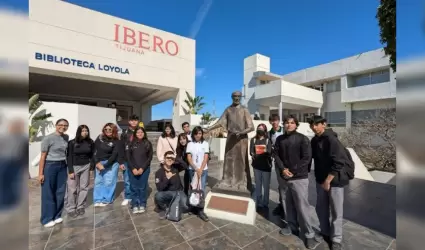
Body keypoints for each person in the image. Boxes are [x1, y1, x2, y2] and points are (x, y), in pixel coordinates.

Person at [274, 115, 319, 249]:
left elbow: (307, 158)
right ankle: (292, 226)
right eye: (287, 123)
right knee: (287, 204)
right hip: (285, 176)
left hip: (299, 177)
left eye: (292, 123)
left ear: (296, 125)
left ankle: (309, 234)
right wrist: (283, 169)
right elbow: (276, 155)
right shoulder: (280, 139)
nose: (289, 125)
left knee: (302, 206)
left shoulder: (302, 139)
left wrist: (292, 170)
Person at [309, 115, 353, 250]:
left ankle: (336, 239)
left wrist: (328, 180)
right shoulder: (315, 140)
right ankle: (325, 231)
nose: (314, 127)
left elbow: (339, 162)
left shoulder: (331, 139)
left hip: (335, 180)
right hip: (321, 179)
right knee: (321, 208)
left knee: (336, 210)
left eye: (317, 124)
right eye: (312, 125)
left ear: (324, 124)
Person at [38, 118, 69, 227]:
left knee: (60, 191)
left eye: (65, 125)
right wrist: (41, 173)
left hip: (62, 166)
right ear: (56, 125)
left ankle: (57, 215)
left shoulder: (66, 137)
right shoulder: (48, 138)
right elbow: (43, 156)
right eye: (60, 124)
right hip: (50, 165)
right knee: (48, 192)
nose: (63, 127)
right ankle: (46, 218)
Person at [65, 125, 94, 218]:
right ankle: (71, 208)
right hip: (74, 167)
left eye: (86, 131)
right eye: (83, 131)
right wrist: (70, 170)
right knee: (72, 189)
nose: (85, 132)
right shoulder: (72, 143)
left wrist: (91, 168)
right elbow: (69, 157)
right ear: (79, 132)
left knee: (84, 187)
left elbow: (92, 155)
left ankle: (80, 206)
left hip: (86, 166)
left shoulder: (90, 142)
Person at [154, 151, 189, 219]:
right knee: (158, 196)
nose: (170, 159)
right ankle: (165, 208)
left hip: (179, 192)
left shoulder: (175, 168)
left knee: (186, 207)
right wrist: (167, 178)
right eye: (168, 158)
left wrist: (176, 158)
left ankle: (172, 205)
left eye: (172, 158)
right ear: (164, 159)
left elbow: (185, 165)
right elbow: (159, 188)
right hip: (168, 193)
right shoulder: (159, 172)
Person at [126, 126, 153, 214]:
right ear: (135, 134)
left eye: (141, 132)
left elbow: (149, 157)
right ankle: (134, 204)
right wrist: (133, 168)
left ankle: (142, 203)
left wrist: (142, 168)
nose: (140, 134)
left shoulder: (148, 143)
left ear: (144, 133)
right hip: (132, 169)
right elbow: (128, 158)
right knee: (133, 187)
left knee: (142, 188)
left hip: (144, 169)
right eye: (138, 132)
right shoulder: (131, 143)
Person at [93, 123, 121, 207]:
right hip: (99, 162)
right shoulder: (99, 138)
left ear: (114, 130)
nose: (108, 131)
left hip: (111, 163)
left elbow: (114, 155)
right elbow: (94, 151)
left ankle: (107, 199)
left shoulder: (116, 141)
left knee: (109, 182)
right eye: (106, 129)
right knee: (98, 182)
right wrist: (97, 162)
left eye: (110, 129)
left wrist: (105, 166)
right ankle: (98, 199)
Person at [186, 126, 210, 221]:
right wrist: (196, 168)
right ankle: (192, 206)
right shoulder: (190, 144)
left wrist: (200, 169)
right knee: (192, 188)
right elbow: (189, 157)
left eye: (199, 133)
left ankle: (200, 210)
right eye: (196, 133)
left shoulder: (205, 143)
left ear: (202, 134)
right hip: (192, 169)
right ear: (193, 134)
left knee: (201, 189)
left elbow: (206, 157)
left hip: (203, 170)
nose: (198, 135)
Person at [249, 123, 272, 211]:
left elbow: (270, 152)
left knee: (266, 186)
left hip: (266, 167)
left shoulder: (267, 140)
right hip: (256, 166)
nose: (260, 130)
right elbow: (251, 151)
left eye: (262, 128)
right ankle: (258, 202)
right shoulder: (253, 140)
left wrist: (264, 151)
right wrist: (253, 154)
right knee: (258, 185)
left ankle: (265, 203)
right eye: (259, 128)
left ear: (265, 130)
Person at [119, 114, 139, 206]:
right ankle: (128, 196)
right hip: (127, 160)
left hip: (138, 160)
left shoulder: (140, 132)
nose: (134, 122)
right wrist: (121, 161)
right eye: (132, 120)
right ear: (129, 121)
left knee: (137, 179)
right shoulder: (125, 132)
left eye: (135, 120)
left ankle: (137, 195)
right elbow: (121, 148)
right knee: (127, 180)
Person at [268, 114, 285, 216]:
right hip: (278, 161)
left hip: (289, 161)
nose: (274, 122)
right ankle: (282, 205)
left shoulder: (285, 130)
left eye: (276, 120)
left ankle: (290, 206)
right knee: (281, 184)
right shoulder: (270, 133)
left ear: (279, 121)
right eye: (272, 121)